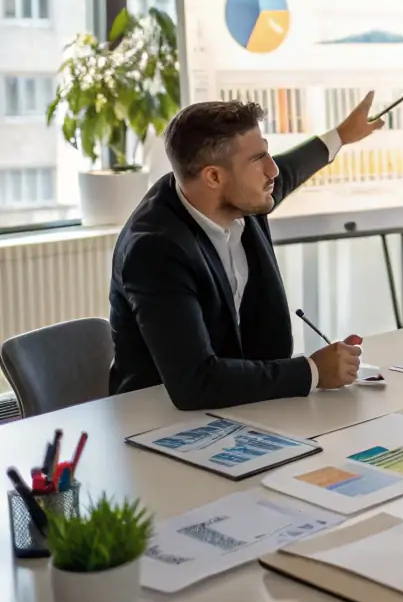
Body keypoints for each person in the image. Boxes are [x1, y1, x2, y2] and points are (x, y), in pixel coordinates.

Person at [109, 94, 383, 410]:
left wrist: (342, 135)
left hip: (239, 408)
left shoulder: (233, 197)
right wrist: (313, 371)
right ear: (213, 176)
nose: (273, 170)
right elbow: (195, 383)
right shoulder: (155, 250)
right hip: (157, 422)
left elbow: (290, 169)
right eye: (258, 160)